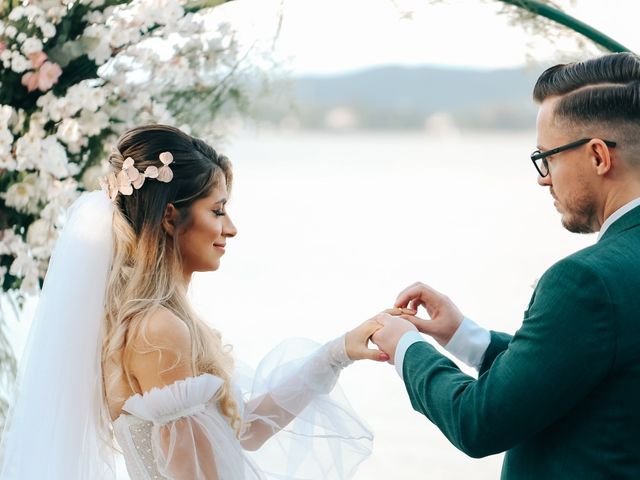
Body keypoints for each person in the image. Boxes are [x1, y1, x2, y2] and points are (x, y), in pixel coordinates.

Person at [0, 124, 395, 479]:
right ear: (171, 218)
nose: (231, 228)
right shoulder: (158, 331)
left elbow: (245, 429)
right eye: (217, 211)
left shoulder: (153, 322)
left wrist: (337, 353)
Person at [370, 52, 640, 478]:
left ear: (598, 156)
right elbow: (572, 372)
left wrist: (406, 347)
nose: (542, 177)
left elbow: (480, 423)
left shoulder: (586, 280)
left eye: (547, 157)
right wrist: (463, 336)